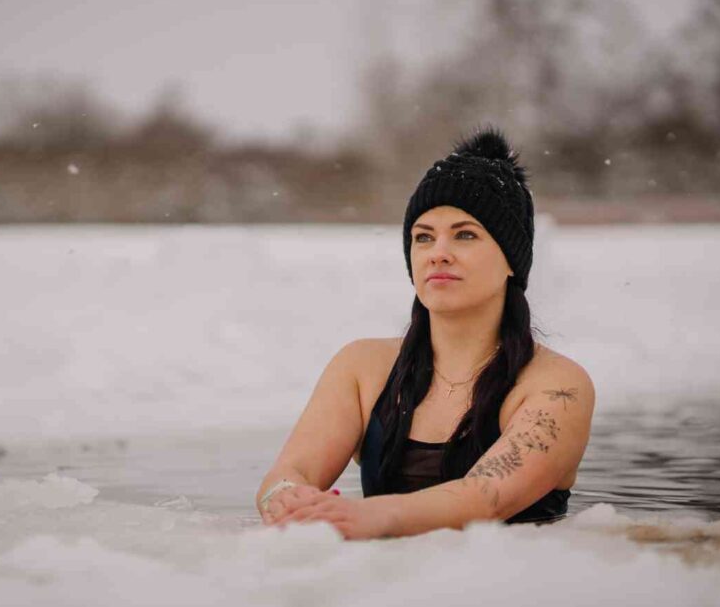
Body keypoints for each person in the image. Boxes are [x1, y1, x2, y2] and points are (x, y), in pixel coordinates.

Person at [255, 126, 595, 540]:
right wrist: (287, 499)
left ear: (512, 261)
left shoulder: (558, 385)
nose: (438, 253)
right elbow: (292, 472)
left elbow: (485, 497)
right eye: (423, 237)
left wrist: (370, 516)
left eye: (465, 234)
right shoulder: (363, 368)